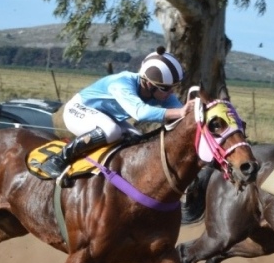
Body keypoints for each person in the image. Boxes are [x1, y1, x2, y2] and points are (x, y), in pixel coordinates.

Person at [38, 46, 193, 178]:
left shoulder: (158, 90)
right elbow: (140, 112)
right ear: (148, 84)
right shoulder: (122, 83)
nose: (170, 92)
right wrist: (180, 113)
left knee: (139, 139)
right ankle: (59, 159)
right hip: (77, 111)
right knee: (111, 131)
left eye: (173, 87)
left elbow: (181, 112)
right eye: (166, 88)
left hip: (105, 116)